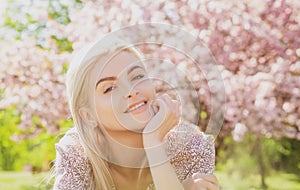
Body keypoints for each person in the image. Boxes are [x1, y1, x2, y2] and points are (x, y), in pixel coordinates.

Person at [52, 35, 220, 190]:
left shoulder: (193, 146)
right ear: (89, 116)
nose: (131, 90)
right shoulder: (76, 152)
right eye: (109, 88)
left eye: (137, 76)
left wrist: (154, 142)